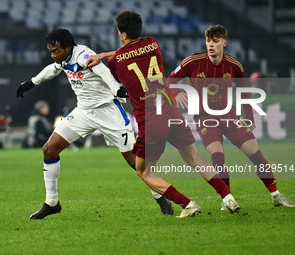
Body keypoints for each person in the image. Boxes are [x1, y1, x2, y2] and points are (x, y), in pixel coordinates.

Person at [86, 11, 241, 217]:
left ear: (122, 34)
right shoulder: (153, 43)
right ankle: (228, 197)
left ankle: (187, 204)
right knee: (194, 157)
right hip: (171, 110)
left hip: (150, 118)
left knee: (143, 170)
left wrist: (102, 56)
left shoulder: (115, 62)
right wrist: (106, 54)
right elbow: (132, 52)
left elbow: (119, 60)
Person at [17, 28, 174, 219]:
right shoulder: (63, 59)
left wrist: (117, 90)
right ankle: (52, 203)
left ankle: (160, 196)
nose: (53, 55)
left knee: (135, 161)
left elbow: (103, 70)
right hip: (84, 112)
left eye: (56, 51)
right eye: (50, 51)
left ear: (68, 47)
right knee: (49, 149)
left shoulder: (84, 55)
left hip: (108, 111)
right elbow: (53, 69)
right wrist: (32, 82)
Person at [168, 24, 294, 208]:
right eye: (208, 41)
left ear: (224, 43)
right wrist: (177, 93)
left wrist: (249, 116)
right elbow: (169, 79)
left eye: (215, 41)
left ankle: (276, 196)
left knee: (255, 154)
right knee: (218, 158)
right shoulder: (193, 61)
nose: (210, 45)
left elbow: (244, 92)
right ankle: (228, 200)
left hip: (229, 115)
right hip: (204, 118)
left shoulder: (234, 65)